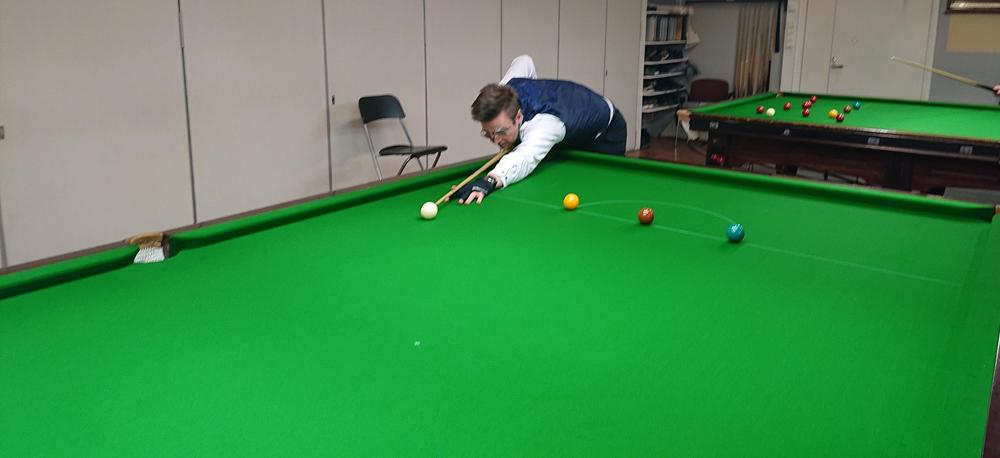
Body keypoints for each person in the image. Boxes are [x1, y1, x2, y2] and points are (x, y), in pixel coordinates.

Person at [452, 55, 627, 205]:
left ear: (518, 117)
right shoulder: (506, 90)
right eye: (488, 133)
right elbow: (524, 60)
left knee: (599, 190)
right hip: (567, 128)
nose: (496, 140)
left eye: (500, 132)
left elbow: (525, 157)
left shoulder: (545, 124)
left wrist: (490, 180)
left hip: (605, 132)